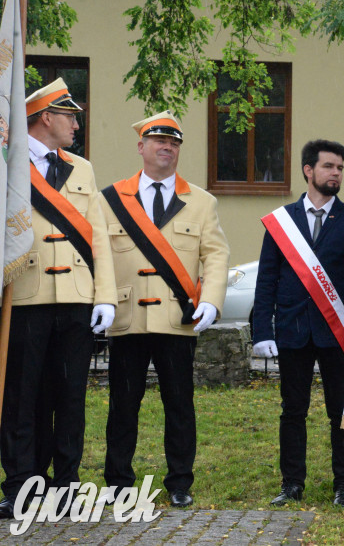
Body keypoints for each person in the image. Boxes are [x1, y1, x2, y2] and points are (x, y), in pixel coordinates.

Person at [100, 111, 229, 508]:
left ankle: (179, 483)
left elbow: (216, 255)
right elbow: (98, 255)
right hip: (127, 318)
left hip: (176, 318)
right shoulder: (110, 199)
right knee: (123, 405)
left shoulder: (201, 201)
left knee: (179, 404)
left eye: (173, 143)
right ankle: (119, 481)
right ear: (141, 147)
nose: (166, 148)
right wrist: (100, 299)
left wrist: (211, 300)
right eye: (158, 141)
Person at [0, 80, 117, 518]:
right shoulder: (7, 166)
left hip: (75, 299)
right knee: (22, 398)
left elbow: (99, 236)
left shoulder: (81, 169)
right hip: (23, 298)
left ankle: (66, 485)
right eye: (69, 117)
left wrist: (104, 295)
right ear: (46, 117)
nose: (75, 125)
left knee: (69, 396)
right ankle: (21, 486)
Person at [252, 139, 344, 508]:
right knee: (293, 410)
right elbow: (267, 279)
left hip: (338, 334)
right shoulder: (282, 221)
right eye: (329, 167)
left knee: (342, 411)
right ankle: (292, 484)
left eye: (339, 168)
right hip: (293, 331)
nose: (336, 173)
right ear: (309, 171)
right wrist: (262, 331)